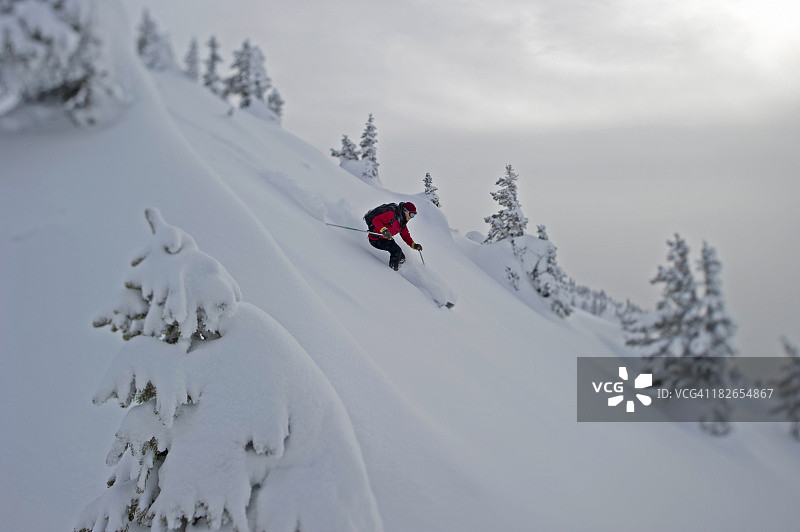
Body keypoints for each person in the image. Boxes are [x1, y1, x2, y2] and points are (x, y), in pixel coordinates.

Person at [364, 202, 422, 270]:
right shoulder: (391, 214)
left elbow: (405, 235)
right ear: (404, 210)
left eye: (414, 215)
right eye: (411, 214)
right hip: (376, 239)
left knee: (401, 257)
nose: (411, 217)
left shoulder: (402, 221)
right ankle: (393, 273)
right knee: (396, 251)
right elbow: (376, 220)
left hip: (387, 238)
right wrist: (383, 230)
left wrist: (413, 244)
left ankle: (402, 271)